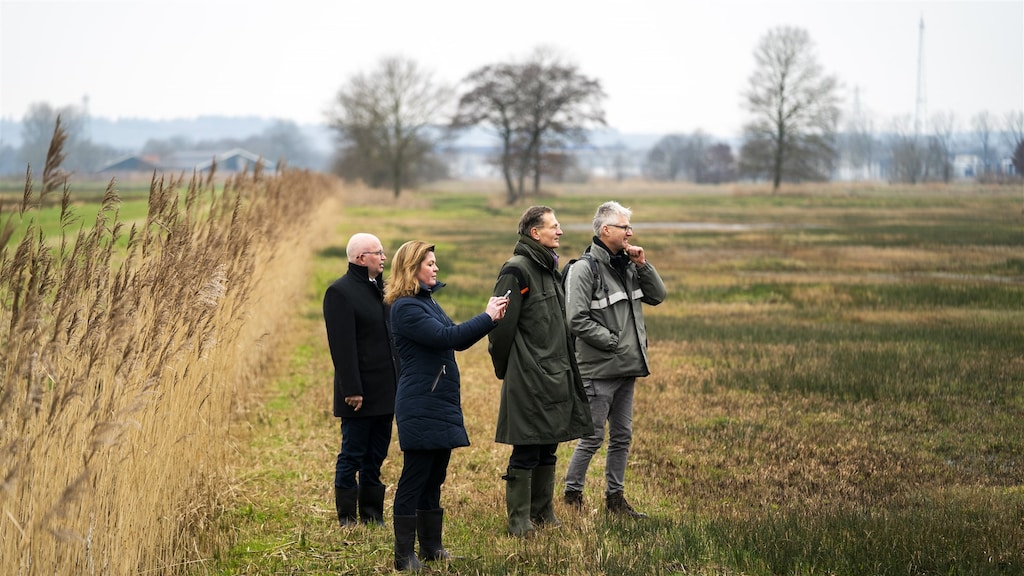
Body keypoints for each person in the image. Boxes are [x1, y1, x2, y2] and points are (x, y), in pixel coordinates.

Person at [385, 240, 508, 571]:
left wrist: (491, 318)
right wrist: (486, 316)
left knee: (434, 476)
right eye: (430, 263)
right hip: (420, 402)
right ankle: (403, 556)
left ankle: (431, 548)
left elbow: (456, 336)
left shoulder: (426, 302)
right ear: (412, 268)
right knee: (415, 477)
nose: (436, 268)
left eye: (435, 262)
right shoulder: (405, 308)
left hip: (437, 400)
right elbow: (448, 338)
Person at [488, 206, 594, 538]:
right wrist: (508, 369)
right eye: (554, 226)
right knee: (527, 446)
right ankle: (519, 521)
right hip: (528, 376)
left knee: (549, 444)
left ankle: (543, 512)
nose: (560, 231)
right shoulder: (516, 270)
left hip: (555, 373)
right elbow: (500, 328)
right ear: (535, 233)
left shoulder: (549, 268)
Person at [562, 201, 666, 518]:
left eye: (630, 227)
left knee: (622, 438)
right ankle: (572, 496)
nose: (630, 233)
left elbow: (657, 296)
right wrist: (612, 341)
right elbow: (575, 319)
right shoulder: (584, 269)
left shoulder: (629, 266)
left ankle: (615, 500)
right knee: (592, 438)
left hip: (627, 369)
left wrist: (643, 265)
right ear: (605, 230)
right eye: (625, 227)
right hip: (598, 370)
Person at [323, 233, 398, 526]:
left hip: (386, 390)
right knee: (352, 454)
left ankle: (372, 514)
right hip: (359, 393)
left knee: (376, 456)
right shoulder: (339, 292)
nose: (383, 257)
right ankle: (347, 518)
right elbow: (342, 347)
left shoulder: (383, 290)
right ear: (360, 258)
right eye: (378, 253)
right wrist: (352, 389)